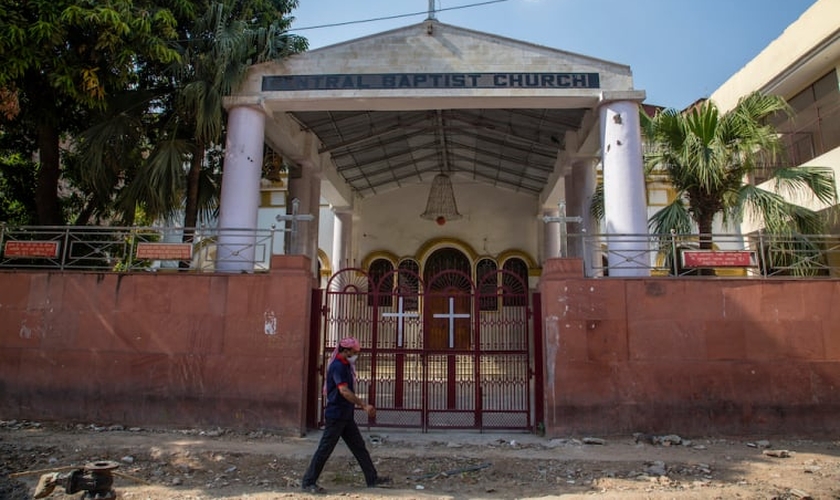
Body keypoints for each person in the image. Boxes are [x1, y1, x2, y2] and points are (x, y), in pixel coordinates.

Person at [301, 337, 391, 494]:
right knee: (325, 449)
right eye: (354, 352)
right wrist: (363, 405)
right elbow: (344, 391)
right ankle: (308, 482)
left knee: (359, 447)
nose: (356, 355)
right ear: (345, 351)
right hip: (336, 415)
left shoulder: (345, 365)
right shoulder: (338, 367)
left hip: (345, 415)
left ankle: (372, 478)